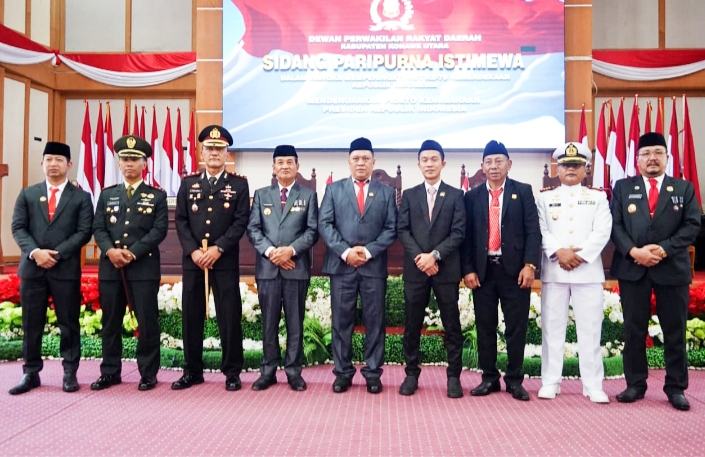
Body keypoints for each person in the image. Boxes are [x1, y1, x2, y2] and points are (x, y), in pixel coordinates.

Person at [610, 132, 700, 411]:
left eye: (658, 153)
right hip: (632, 268)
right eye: (646, 153)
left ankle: (676, 387)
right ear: (637, 160)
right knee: (633, 330)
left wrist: (662, 249)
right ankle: (635, 384)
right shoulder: (622, 187)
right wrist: (634, 251)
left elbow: (692, 225)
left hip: (671, 268)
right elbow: (614, 225)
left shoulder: (683, 188)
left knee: (675, 330)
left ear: (667, 158)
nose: (652, 158)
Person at [9, 142, 93, 395]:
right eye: (49, 159)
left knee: (69, 323)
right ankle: (30, 372)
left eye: (59, 160)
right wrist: (36, 252)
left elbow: (84, 231)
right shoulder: (28, 194)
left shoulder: (81, 197)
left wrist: (57, 254)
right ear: (42, 163)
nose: (53, 164)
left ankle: (70, 372)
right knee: (31, 323)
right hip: (32, 269)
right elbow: (18, 228)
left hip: (64, 268)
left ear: (69, 164)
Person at [461, 140, 541, 401]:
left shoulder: (523, 191)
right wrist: (468, 269)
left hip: (515, 271)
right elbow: (466, 237)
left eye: (499, 161)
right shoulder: (472, 196)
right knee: (485, 326)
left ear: (509, 164)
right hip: (483, 272)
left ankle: (515, 380)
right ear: (482, 166)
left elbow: (533, 231)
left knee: (516, 328)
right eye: (489, 162)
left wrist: (529, 265)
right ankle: (489, 378)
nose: (493, 166)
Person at [173, 125, 250, 391]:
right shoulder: (188, 183)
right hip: (193, 262)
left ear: (227, 153)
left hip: (224, 260)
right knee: (191, 315)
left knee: (229, 316)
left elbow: (241, 221)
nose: (214, 153)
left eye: (219, 149)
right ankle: (192, 371)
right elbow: (181, 220)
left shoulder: (238, 184)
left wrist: (219, 249)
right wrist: (194, 251)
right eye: (210, 148)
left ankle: (232, 372)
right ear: (202, 153)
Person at [319, 137, 397, 394]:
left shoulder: (386, 192)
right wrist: (345, 252)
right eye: (356, 158)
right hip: (342, 267)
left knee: (375, 322)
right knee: (341, 323)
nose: (361, 163)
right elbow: (324, 224)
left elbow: (391, 228)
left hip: (373, 267)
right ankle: (342, 373)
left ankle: (373, 373)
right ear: (348, 161)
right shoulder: (334, 190)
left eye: (365, 158)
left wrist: (368, 251)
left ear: (374, 161)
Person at [90, 135, 168, 391]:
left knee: (147, 322)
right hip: (110, 267)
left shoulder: (156, 196)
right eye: (125, 159)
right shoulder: (107, 194)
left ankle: (148, 373)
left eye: (135, 159)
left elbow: (158, 231)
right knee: (110, 322)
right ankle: (110, 372)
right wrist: (110, 251)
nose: (129, 164)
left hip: (143, 268)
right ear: (119, 163)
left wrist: (132, 253)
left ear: (145, 164)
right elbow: (98, 227)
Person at [536, 142, 612, 403]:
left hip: (587, 272)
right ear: (557, 169)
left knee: (590, 331)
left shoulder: (598, 197)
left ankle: (593, 385)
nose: (570, 169)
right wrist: (559, 251)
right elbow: (540, 229)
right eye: (566, 165)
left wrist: (580, 255)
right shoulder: (544, 198)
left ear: (585, 169)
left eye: (576, 165)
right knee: (552, 329)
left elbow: (602, 231)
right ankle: (550, 382)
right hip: (555, 271)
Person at [246, 145, 319, 391]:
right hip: (268, 269)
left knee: (295, 322)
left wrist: (290, 251)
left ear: (297, 166)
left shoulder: (308, 195)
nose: (285, 166)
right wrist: (271, 252)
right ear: (273, 167)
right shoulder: (261, 194)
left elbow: (312, 231)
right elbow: (253, 229)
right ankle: (268, 370)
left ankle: (293, 371)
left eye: (290, 162)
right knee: (269, 322)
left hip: (296, 268)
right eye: (280, 162)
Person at [398, 140, 465, 398]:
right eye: (424, 160)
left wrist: (434, 256)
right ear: (419, 164)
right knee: (412, 324)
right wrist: (421, 258)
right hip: (416, 271)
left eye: (434, 159)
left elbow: (458, 233)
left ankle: (454, 377)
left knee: (452, 325)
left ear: (443, 163)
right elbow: (403, 230)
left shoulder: (456, 195)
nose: (429, 164)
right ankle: (411, 374)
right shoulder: (409, 195)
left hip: (445, 270)